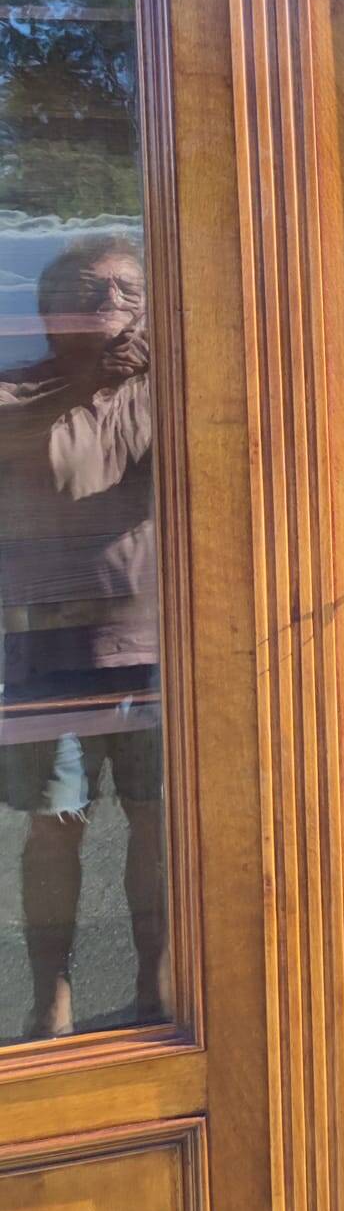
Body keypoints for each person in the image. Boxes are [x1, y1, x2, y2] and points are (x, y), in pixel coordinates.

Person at [0, 232, 167, 1037]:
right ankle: (51, 999)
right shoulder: (19, 391)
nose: (113, 306)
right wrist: (91, 381)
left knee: (159, 821)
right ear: (51, 312)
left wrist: (145, 375)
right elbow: (64, 470)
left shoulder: (162, 389)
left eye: (130, 292)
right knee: (53, 828)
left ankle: (160, 986)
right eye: (92, 291)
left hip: (158, 649)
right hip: (48, 649)